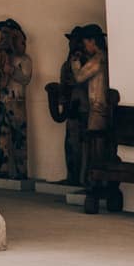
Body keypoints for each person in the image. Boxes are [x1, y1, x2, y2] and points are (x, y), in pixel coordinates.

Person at [70, 24, 119, 214]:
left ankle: (95, 185)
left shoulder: (99, 59)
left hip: (98, 109)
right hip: (104, 109)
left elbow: (80, 76)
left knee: (95, 151)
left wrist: (75, 63)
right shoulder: (106, 58)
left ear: (92, 42)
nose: (85, 47)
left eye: (86, 43)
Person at [45, 25, 89, 185]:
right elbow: (64, 83)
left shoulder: (89, 62)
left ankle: (84, 178)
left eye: (77, 41)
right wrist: (63, 101)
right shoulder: (67, 64)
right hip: (72, 108)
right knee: (71, 143)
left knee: (86, 145)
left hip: (85, 107)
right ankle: (72, 176)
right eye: (72, 42)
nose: (73, 45)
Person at [0, 18, 32, 179]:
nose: (3, 38)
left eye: (8, 35)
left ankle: (21, 171)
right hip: (4, 100)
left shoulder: (24, 59)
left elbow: (26, 78)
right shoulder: (1, 56)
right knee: (0, 134)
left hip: (17, 102)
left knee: (19, 136)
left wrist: (12, 70)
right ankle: (3, 168)